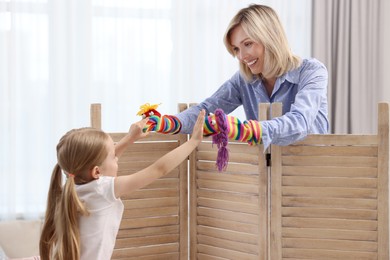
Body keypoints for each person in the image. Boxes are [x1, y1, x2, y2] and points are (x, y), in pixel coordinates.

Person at [146, 4, 328, 151]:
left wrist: (247, 130)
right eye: (236, 49)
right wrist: (170, 122)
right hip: (265, 181)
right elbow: (206, 109)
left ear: (271, 38)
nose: (241, 57)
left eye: (247, 44)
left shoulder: (312, 72)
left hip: (311, 175)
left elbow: (300, 122)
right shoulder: (244, 80)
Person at [39, 110, 205, 260]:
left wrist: (130, 137)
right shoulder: (103, 189)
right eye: (113, 157)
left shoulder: (70, 187)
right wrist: (193, 142)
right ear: (96, 172)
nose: (117, 158)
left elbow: (100, 161)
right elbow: (158, 169)